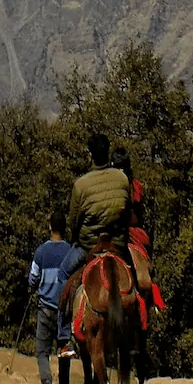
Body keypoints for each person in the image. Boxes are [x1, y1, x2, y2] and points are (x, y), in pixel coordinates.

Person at [57, 133, 131, 340]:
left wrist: (77, 239)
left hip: (89, 246)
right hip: (117, 244)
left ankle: (63, 337)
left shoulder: (81, 185)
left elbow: (73, 221)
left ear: (90, 155)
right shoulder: (123, 179)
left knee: (62, 275)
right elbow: (126, 213)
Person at [28, 211, 73, 384]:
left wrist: (31, 289)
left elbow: (33, 277)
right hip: (65, 311)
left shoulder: (41, 252)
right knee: (64, 352)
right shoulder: (70, 252)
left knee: (42, 351)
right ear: (64, 228)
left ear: (49, 227)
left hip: (45, 307)